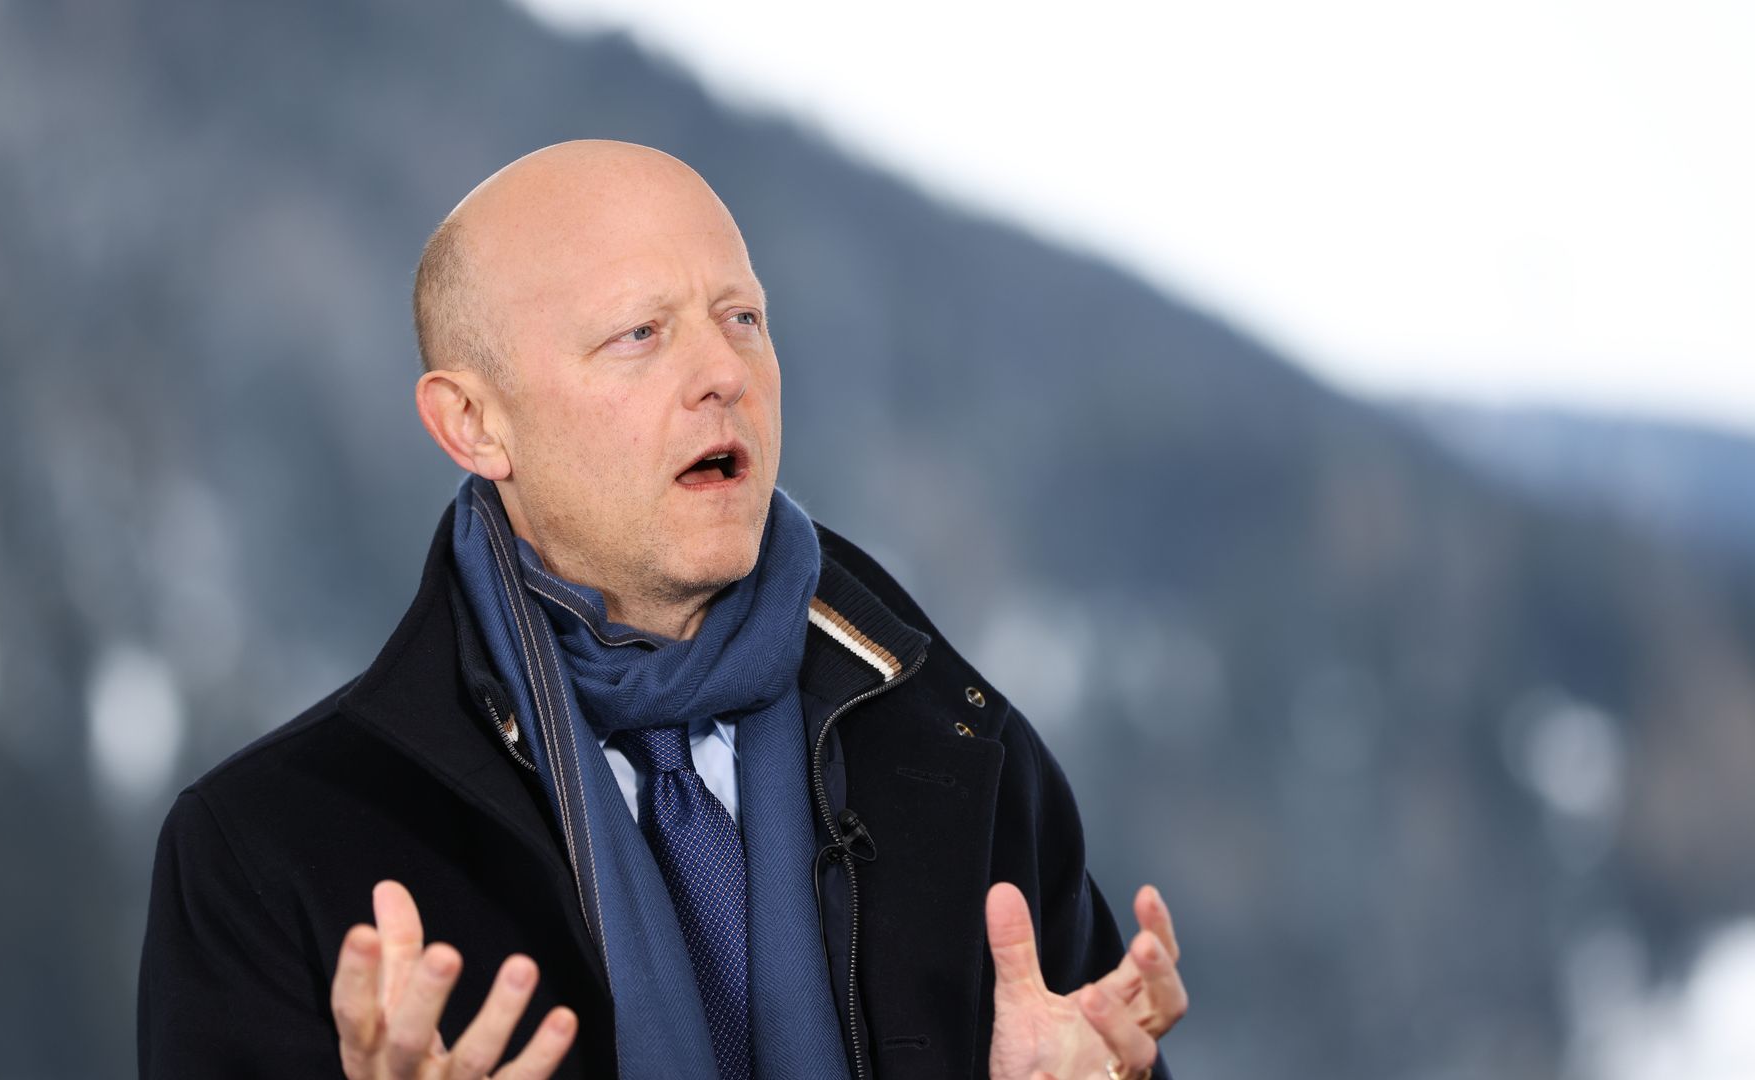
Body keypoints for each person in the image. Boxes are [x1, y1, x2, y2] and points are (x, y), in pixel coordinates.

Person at [138, 140, 1188, 1080]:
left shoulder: (965, 758)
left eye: (742, 318)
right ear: (473, 424)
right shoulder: (270, 848)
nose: (723, 373)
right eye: (640, 334)